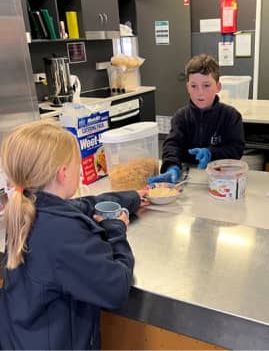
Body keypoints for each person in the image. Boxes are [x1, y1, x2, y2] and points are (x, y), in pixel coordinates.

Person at [0, 121, 146, 349]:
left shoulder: (24, 209)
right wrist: (116, 229)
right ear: (63, 173)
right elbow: (116, 288)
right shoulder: (63, 234)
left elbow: (81, 205)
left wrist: (132, 197)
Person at [148, 54, 245, 184]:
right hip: (187, 178)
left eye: (206, 85)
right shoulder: (181, 117)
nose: (200, 92)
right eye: (194, 86)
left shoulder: (231, 116)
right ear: (188, 87)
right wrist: (171, 167)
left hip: (220, 178)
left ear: (218, 87)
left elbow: (236, 149)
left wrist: (211, 153)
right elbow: (172, 145)